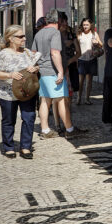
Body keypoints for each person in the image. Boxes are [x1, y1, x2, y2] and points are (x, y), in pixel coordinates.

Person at [0, 25, 40, 159]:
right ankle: (9, 147)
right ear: (10, 38)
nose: (24, 38)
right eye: (20, 36)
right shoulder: (4, 54)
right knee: (9, 120)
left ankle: (25, 147)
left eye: (24, 36)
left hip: (27, 92)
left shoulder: (27, 52)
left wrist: (34, 69)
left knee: (29, 118)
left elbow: (36, 67)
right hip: (7, 94)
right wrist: (10, 75)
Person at [34, 10, 84, 140]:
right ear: (59, 21)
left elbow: (34, 52)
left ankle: (45, 130)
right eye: (63, 21)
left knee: (45, 100)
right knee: (62, 101)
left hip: (43, 71)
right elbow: (55, 53)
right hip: (53, 71)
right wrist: (61, 71)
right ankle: (69, 129)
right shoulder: (55, 33)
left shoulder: (39, 33)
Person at [76, 17, 102, 105]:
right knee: (80, 81)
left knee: (89, 81)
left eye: (87, 25)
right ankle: (79, 98)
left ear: (91, 25)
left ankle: (87, 98)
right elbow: (75, 46)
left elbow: (101, 45)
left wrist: (97, 43)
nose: (85, 26)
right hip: (81, 60)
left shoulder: (94, 34)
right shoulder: (79, 34)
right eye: (84, 25)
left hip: (91, 59)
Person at [58, 13, 80, 101]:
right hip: (57, 66)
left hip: (70, 66)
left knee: (70, 91)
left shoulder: (71, 34)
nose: (65, 23)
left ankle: (67, 110)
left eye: (65, 21)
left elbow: (79, 52)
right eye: (62, 21)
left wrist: (70, 61)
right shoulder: (54, 35)